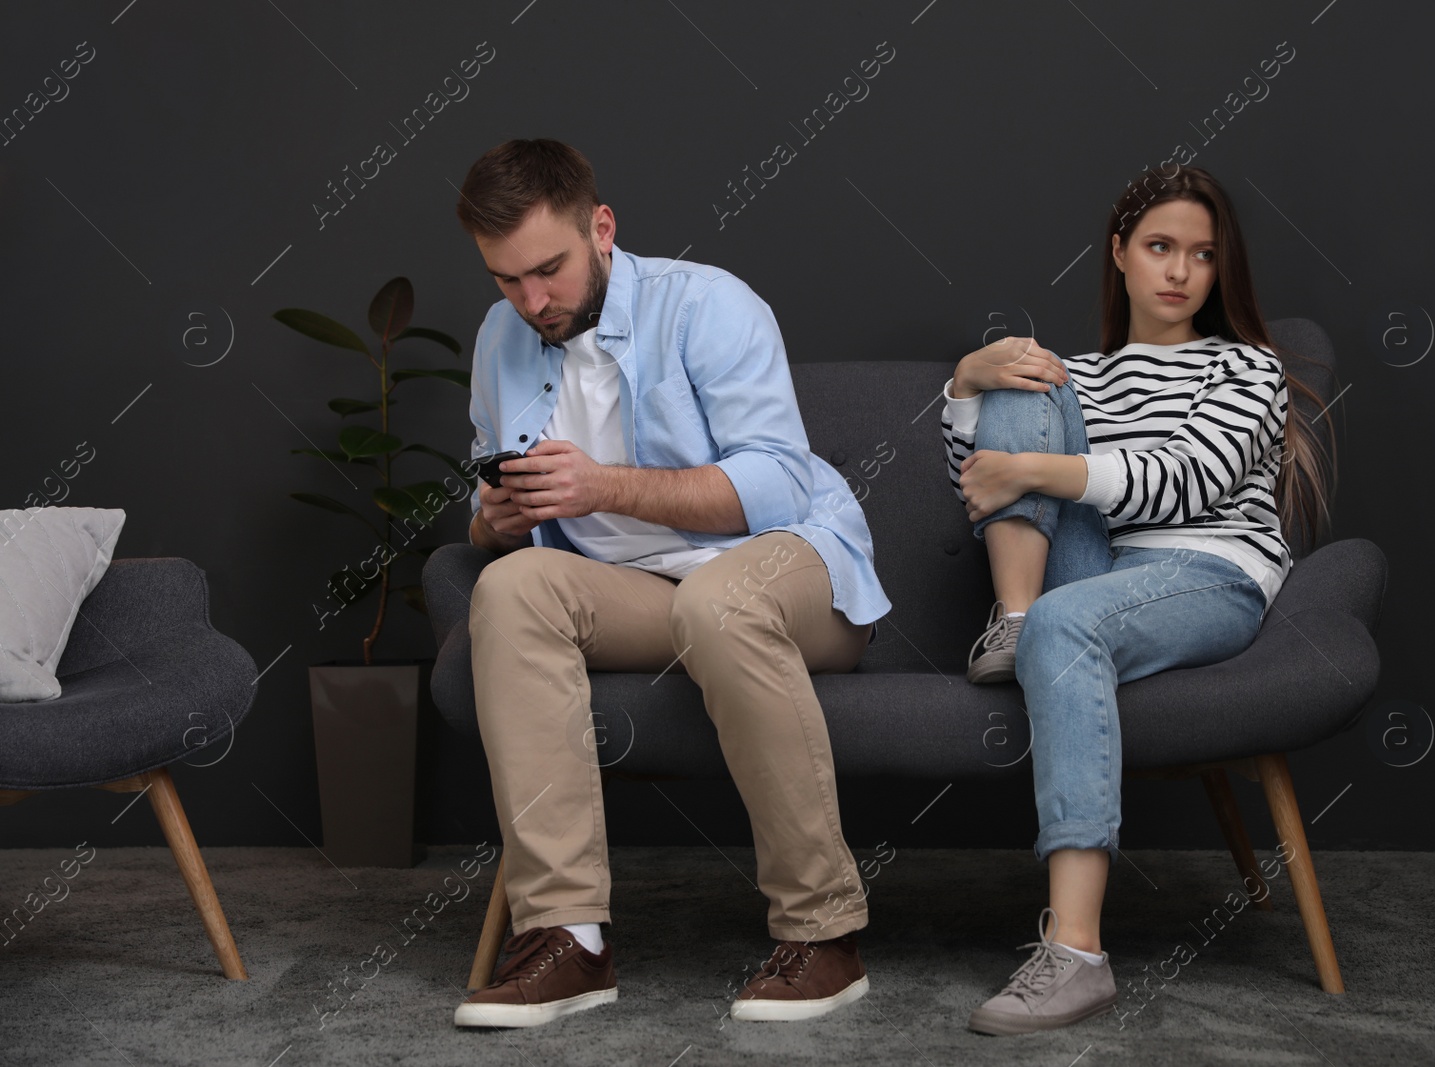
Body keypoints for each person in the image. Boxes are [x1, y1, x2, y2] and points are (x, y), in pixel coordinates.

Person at [452, 139, 891, 1029]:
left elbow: (775, 485)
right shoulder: (502, 337)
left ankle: (825, 937)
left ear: (601, 229)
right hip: (647, 595)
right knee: (508, 587)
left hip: (793, 566)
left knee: (717, 599)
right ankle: (567, 939)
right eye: (507, 280)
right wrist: (492, 519)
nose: (533, 302)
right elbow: (484, 496)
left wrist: (603, 485)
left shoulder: (709, 305)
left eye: (549, 270)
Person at [939, 165, 1332, 1034]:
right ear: (1119, 254)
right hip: (1098, 566)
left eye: (1201, 253)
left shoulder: (1245, 366)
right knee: (1019, 371)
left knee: (1068, 618)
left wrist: (1032, 469)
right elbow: (981, 485)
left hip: (1207, 571)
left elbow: (1181, 481)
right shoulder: (1076, 376)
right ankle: (1014, 620)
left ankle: (1076, 953)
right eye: (1160, 247)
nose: (1180, 272)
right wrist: (970, 380)